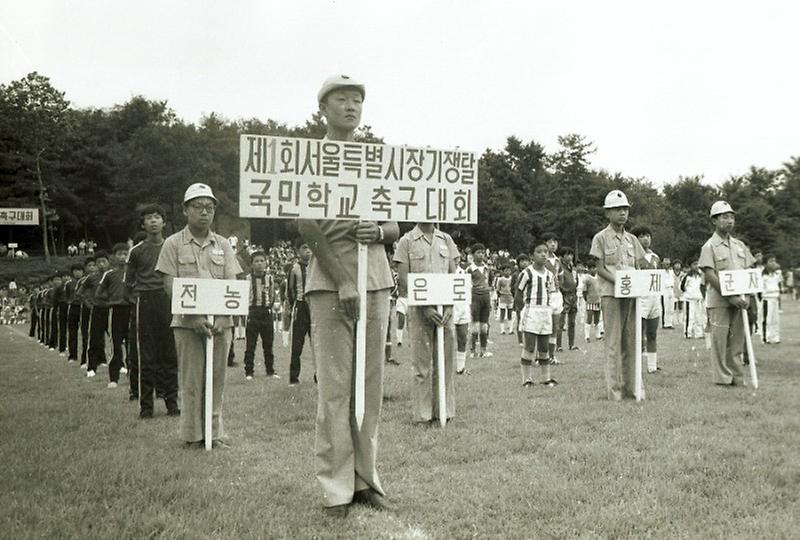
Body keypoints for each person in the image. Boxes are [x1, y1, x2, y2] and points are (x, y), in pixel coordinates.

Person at [296, 74, 399, 517]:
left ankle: (365, 481)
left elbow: (398, 221)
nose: (352, 106)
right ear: (324, 107)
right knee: (336, 388)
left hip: (376, 277)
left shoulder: (377, 160)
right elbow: (305, 224)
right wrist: (342, 279)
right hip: (330, 279)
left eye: (358, 99)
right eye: (342, 99)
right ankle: (336, 486)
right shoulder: (309, 158)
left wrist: (379, 230)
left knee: (369, 387)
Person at [156, 183, 241, 448]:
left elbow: (232, 281)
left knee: (216, 380)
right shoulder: (172, 243)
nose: (204, 212)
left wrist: (223, 318)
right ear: (185, 210)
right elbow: (169, 283)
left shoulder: (224, 245)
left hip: (220, 323)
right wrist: (191, 318)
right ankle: (193, 436)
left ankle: (214, 435)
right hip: (187, 323)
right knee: (192, 380)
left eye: (209, 207)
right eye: (197, 206)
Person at [394, 223, 459, 425]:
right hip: (419, 309)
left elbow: (453, 275)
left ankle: (444, 411)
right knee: (421, 365)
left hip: (445, 310)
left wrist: (449, 305)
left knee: (446, 362)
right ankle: (423, 415)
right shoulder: (406, 241)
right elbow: (404, 279)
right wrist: (425, 307)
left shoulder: (446, 239)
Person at [589, 190, 646, 401]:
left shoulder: (632, 239)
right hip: (611, 294)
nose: (622, 213)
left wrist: (637, 284)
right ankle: (614, 392)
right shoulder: (600, 238)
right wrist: (621, 282)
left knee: (631, 341)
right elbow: (600, 268)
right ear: (607, 213)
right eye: (617, 209)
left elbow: (639, 265)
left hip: (631, 296)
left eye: (625, 209)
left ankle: (633, 389)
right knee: (613, 342)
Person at [125, 205, 179, 417]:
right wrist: (138, 302)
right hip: (145, 302)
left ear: (164, 222)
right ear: (143, 224)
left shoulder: (172, 247)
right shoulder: (136, 251)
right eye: (149, 218)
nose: (153, 221)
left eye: (157, 217)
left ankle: (172, 404)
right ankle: (146, 407)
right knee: (146, 356)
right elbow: (128, 284)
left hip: (168, 300)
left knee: (170, 354)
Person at [698, 201, 754, 386]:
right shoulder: (709, 246)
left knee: (737, 341)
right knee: (720, 342)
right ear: (714, 220)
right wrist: (730, 296)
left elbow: (749, 271)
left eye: (731, 217)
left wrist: (746, 296)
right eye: (724, 217)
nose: (729, 221)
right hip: (719, 300)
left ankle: (737, 377)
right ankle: (722, 379)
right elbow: (709, 274)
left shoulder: (739, 245)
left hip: (740, 301)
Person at [517, 241, 559, 387]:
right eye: (539, 252)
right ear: (532, 256)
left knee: (544, 347)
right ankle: (526, 379)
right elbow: (518, 293)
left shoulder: (550, 274)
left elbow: (551, 292)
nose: (543, 254)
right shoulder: (527, 273)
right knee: (529, 346)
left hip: (545, 311)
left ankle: (546, 378)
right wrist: (522, 310)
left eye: (545, 252)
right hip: (532, 310)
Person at [95, 243, 132, 388]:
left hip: (131, 310)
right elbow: (99, 293)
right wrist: (110, 300)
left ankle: (132, 377)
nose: (122, 257)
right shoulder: (109, 274)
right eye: (119, 254)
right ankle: (113, 378)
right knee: (115, 344)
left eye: (125, 254)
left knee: (132, 344)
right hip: (115, 311)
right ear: (114, 256)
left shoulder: (133, 272)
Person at [243, 250, 278, 381]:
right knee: (250, 344)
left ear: (266, 263)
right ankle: (249, 372)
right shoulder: (247, 279)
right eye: (256, 261)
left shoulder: (270, 278)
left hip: (266, 312)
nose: (259, 263)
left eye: (262, 261)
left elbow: (272, 295)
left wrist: (268, 307)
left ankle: (270, 370)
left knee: (268, 344)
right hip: (253, 311)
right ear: (252, 264)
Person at [631, 226, 662, 373]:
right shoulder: (634, 257)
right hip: (641, 297)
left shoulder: (656, 257)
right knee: (638, 333)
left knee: (652, 333)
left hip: (654, 298)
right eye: (642, 236)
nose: (646, 239)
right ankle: (635, 366)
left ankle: (652, 366)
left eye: (648, 236)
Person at [287, 239, 313, 384]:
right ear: (298, 251)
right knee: (297, 345)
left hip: (314, 307)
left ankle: (319, 376)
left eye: (310, 248)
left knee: (317, 344)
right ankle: (293, 377)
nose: (308, 251)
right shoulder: (295, 268)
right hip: (301, 306)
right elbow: (290, 290)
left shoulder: (317, 266)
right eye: (304, 248)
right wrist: (294, 306)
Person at [86, 251, 111, 377]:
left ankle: (119, 364)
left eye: (104, 261)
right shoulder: (92, 278)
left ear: (108, 262)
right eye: (98, 262)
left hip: (111, 310)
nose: (101, 264)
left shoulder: (113, 275)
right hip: (97, 310)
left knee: (114, 339)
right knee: (95, 338)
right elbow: (80, 292)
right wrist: (89, 303)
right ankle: (91, 367)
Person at [541, 233, 564, 363]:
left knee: (555, 327)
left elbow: (560, 279)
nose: (553, 244)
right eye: (550, 242)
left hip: (556, 295)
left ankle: (552, 356)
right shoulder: (541, 260)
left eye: (555, 242)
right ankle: (542, 355)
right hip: (544, 296)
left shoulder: (558, 261)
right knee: (544, 327)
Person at [467, 243, 493, 358]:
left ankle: (484, 350)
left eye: (483, 252)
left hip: (486, 296)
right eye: (478, 252)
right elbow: (467, 285)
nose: (481, 255)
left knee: (484, 325)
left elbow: (490, 283)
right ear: (473, 255)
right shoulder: (470, 269)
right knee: (475, 325)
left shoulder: (488, 268)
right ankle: (473, 350)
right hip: (475, 296)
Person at [556, 247, 579, 352]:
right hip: (564, 296)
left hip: (574, 296)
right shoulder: (560, 267)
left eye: (571, 254)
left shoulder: (573, 268)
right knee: (560, 322)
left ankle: (571, 344)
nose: (570, 257)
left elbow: (576, 282)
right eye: (567, 255)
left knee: (572, 322)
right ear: (562, 256)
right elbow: (559, 282)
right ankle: (558, 345)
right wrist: (563, 291)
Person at [75, 257, 97, 369]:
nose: (92, 267)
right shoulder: (83, 280)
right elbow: (79, 294)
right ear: (86, 268)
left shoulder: (102, 277)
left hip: (100, 308)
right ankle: (85, 360)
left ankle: (101, 359)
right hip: (87, 309)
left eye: (94, 265)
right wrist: (87, 303)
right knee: (87, 334)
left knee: (101, 335)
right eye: (90, 265)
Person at [453, 254, 471, 374]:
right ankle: (445, 367)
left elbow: (468, 291)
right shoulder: (443, 272)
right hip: (451, 307)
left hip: (463, 307)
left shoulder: (463, 273)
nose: (455, 260)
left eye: (457, 257)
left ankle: (461, 367)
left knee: (463, 337)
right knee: (447, 339)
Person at [680, 260, 706, 339]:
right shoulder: (687, 276)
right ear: (691, 266)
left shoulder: (700, 275)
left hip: (698, 299)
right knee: (689, 317)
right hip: (689, 299)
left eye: (697, 264)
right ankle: (688, 333)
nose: (696, 266)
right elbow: (682, 287)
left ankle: (699, 333)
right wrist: (689, 293)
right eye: (694, 264)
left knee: (699, 317)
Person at [65, 263, 84, 364]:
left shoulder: (86, 281)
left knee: (86, 332)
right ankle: (73, 355)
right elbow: (67, 295)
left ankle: (86, 356)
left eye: (80, 270)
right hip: (73, 308)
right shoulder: (69, 284)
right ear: (72, 272)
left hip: (83, 307)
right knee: (72, 332)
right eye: (76, 270)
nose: (78, 272)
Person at [761, 254, 781, 344]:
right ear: (765, 263)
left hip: (775, 298)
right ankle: (766, 337)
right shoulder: (763, 276)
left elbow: (778, 285)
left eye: (774, 261)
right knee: (768, 319)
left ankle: (776, 337)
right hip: (767, 299)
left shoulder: (777, 274)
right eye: (771, 261)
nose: (773, 263)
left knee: (776, 319)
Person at [582, 259, 602, 343]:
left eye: (595, 267)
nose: (594, 269)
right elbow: (584, 291)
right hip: (590, 301)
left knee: (597, 319)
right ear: (588, 269)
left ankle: (598, 335)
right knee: (589, 318)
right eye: (592, 268)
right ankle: (587, 336)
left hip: (598, 301)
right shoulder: (587, 279)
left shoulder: (599, 278)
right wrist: (587, 299)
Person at [495, 265, 514, 335]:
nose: (507, 272)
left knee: (510, 314)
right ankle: (502, 330)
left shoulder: (512, 279)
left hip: (510, 297)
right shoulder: (500, 280)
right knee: (502, 314)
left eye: (508, 270)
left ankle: (510, 329)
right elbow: (498, 289)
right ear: (503, 272)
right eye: (506, 271)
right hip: (503, 297)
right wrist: (499, 296)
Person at [661, 257, 675, 328]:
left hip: (671, 289)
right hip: (665, 289)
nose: (667, 265)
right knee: (665, 307)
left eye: (668, 264)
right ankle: (665, 323)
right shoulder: (661, 272)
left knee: (671, 307)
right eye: (666, 264)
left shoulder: (671, 271)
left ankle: (670, 323)